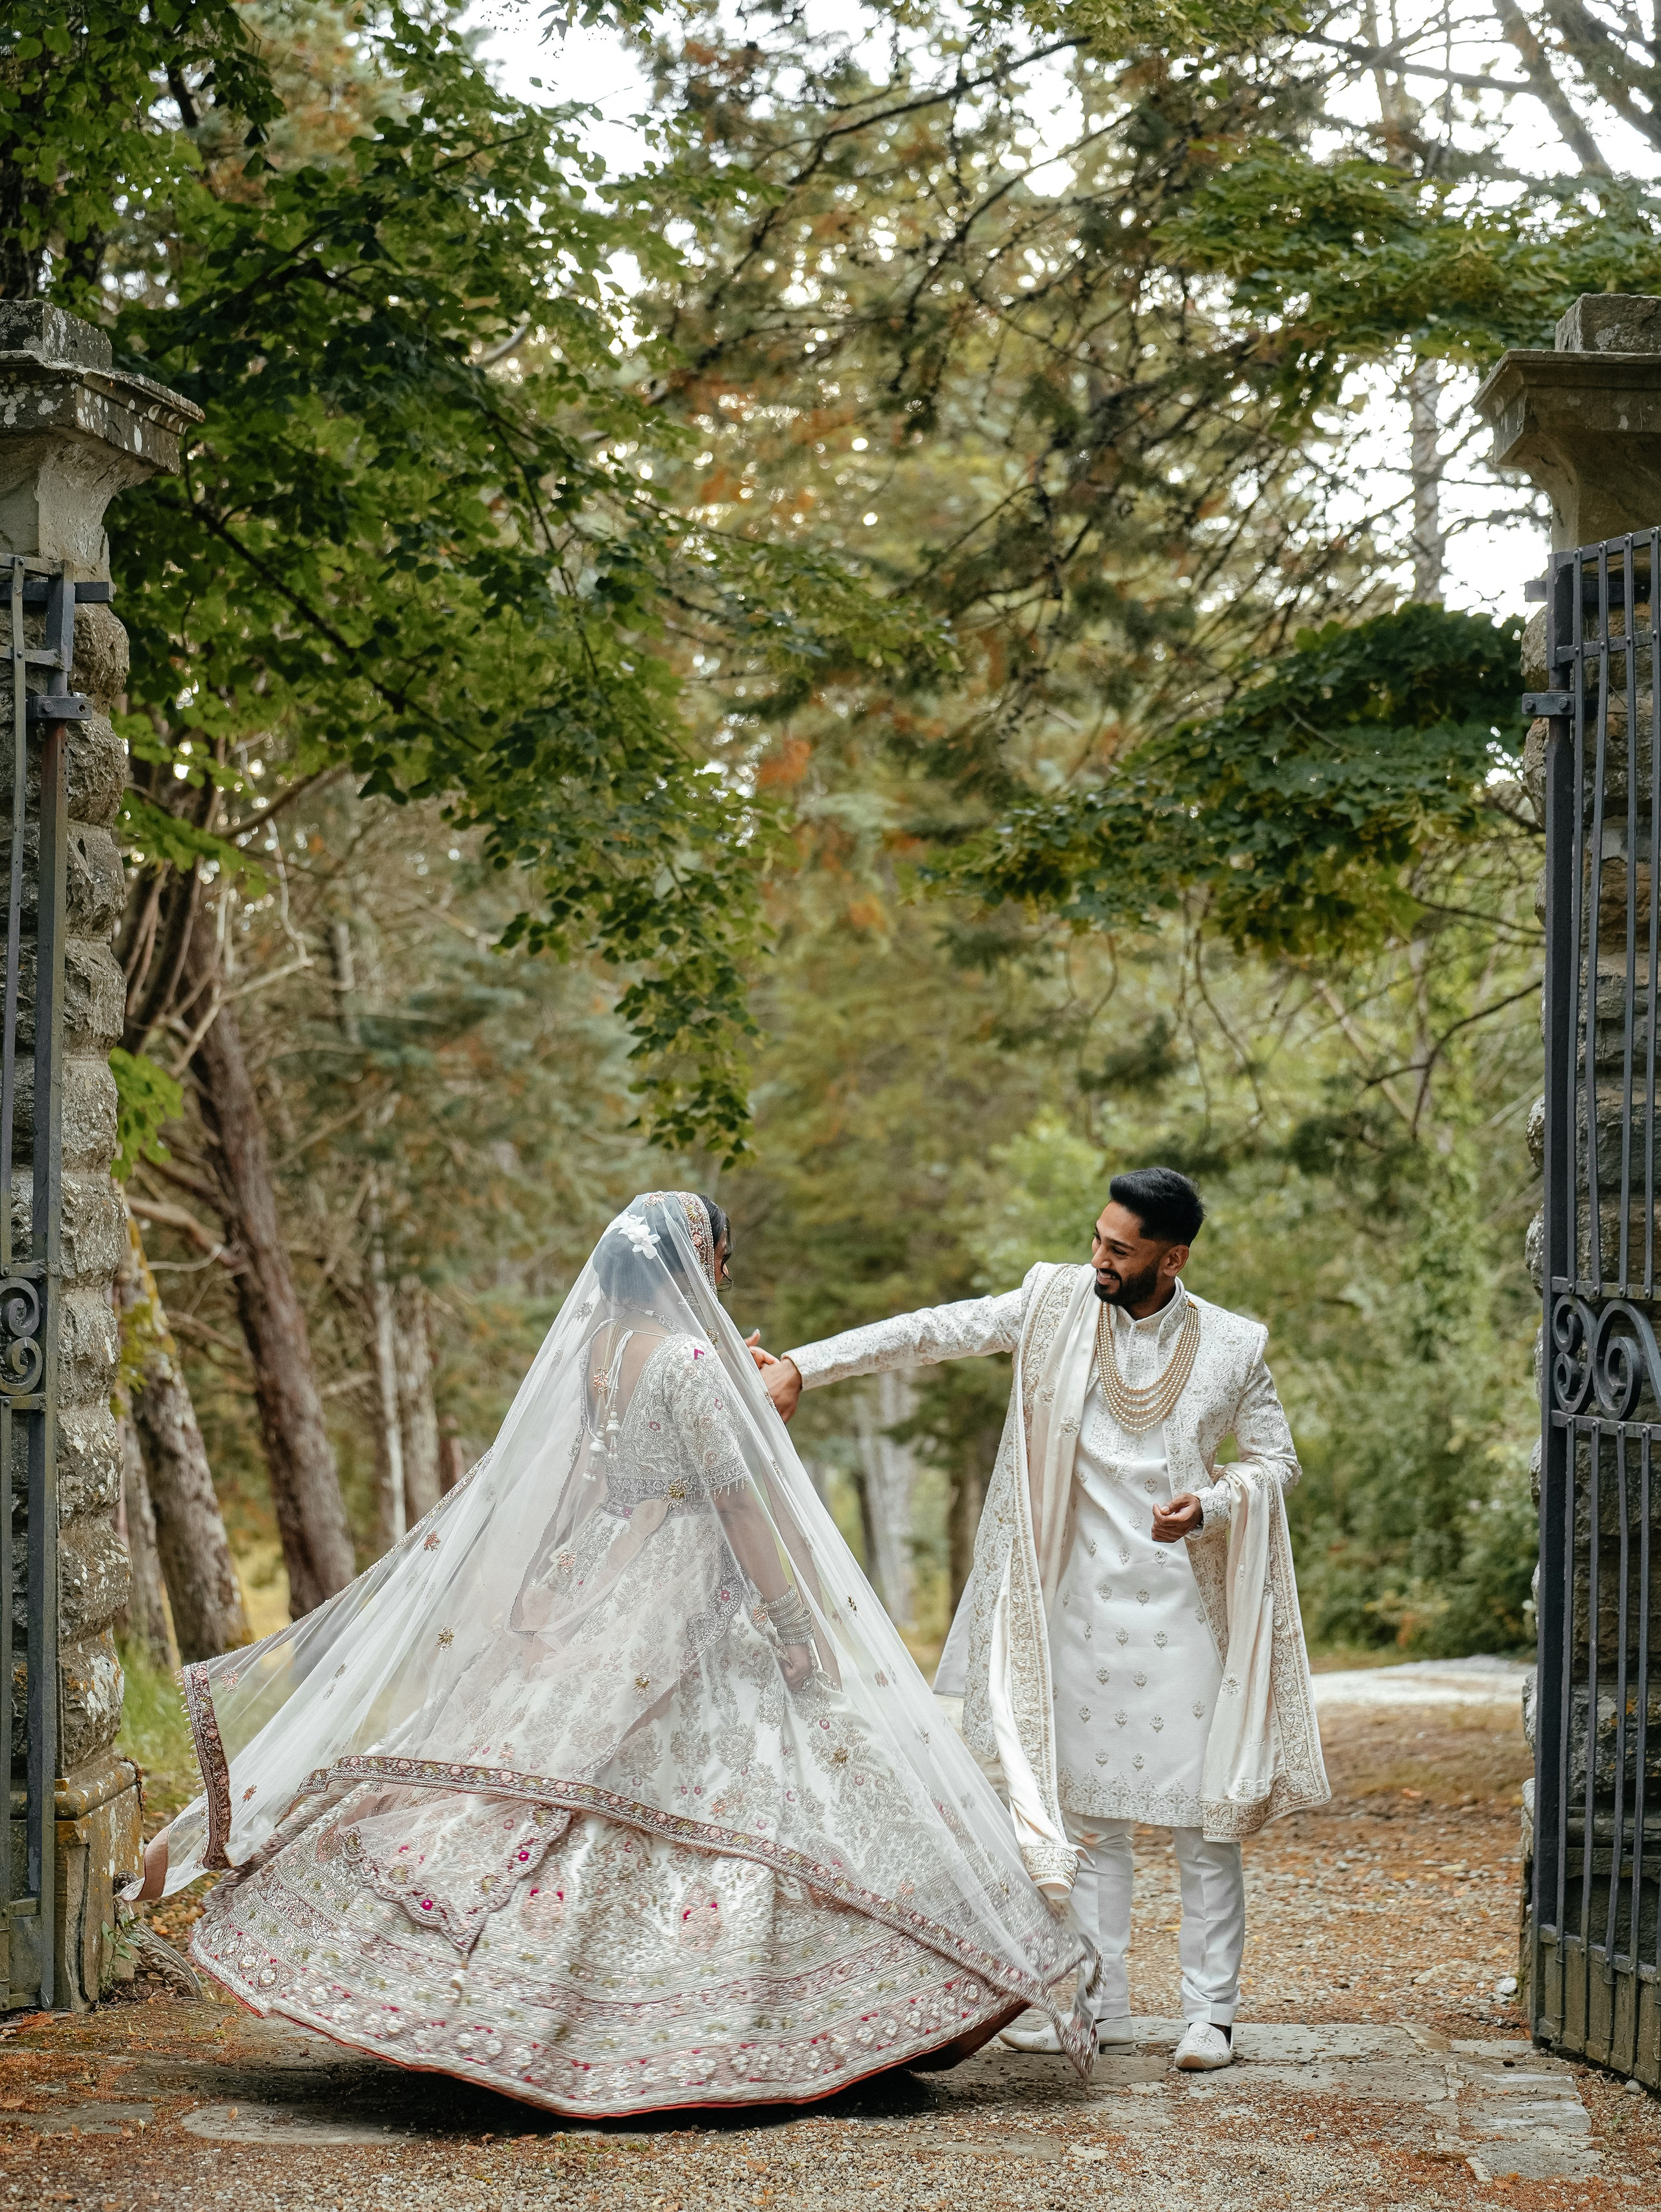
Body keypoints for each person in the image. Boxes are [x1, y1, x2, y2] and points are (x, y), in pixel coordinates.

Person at [128, 1192, 1093, 2115]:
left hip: (609, 1569)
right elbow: (740, 1503)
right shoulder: (687, 1362)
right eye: (721, 1256)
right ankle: (818, 2009)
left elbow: (600, 1476)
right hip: (683, 1593)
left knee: (559, 1761)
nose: (726, 1271)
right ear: (695, 1262)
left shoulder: (604, 1348)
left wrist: (558, 1583)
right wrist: (796, 1629)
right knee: (780, 1766)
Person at [758, 1166, 1328, 2073]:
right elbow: (932, 1330)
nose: (1098, 1257)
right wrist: (804, 1365)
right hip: (1074, 1609)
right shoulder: (1055, 1301)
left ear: (1172, 1257)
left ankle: (1210, 2015)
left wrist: (1217, 1504)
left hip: (1184, 1608)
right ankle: (1093, 2003)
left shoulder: (1231, 1344)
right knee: (1091, 1824)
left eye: (1120, 1248)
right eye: (1098, 1238)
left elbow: (1277, 1460)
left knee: (1202, 1822)